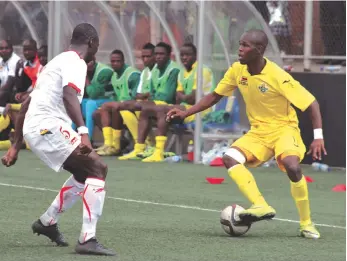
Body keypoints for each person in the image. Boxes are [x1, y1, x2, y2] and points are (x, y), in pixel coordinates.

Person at [167, 29, 326, 239]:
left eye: (245, 45)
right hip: (258, 132)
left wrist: (318, 136)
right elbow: (214, 96)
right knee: (229, 157)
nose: (240, 49)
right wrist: (186, 113)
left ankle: (306, 223)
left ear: (259, 50)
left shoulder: (278, 76)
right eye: (240, 44)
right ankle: (260, 204)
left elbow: (311, 103)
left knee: (292, 166)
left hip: (284, 129)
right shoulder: (236, 70)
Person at [1, 23, 115, 255]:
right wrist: (83, 132)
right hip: (48, 126)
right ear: (92, 42)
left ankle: (47, 222)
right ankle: (87, 239)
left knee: (84, 174)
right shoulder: (76, 62)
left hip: (39, 127)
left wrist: (16, 145)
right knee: (97, 168)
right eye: (97, 46)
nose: (96, 50)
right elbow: (69, 95)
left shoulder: (54, 63)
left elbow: (25, 105)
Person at [140, 42, 215, 162]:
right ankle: (144, 149)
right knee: (148, 110)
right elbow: (179, 96)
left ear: (195, 55)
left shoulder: (202, 71)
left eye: (188, 55)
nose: (184, 57)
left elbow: (192, 99)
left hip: (202, 111)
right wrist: (186, 97)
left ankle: (159, 151)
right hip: (186, 109)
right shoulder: (182, 72)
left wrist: (184, 97)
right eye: (182, 55)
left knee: (162, 109)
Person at [118, 42, 180, 160]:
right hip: (156, 102)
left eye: (161, 54)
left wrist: (152, 96)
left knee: (142, 107)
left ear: (169, 55)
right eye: (156, 54)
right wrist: (152, 96)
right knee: (125, 107)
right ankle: (141, 147)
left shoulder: (174, 70)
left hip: (169, 105)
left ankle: (149, 147)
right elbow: (151, 92)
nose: (158, 56)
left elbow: (168, 96)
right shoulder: (155, 69)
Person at [94, 49, 141, 156]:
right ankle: (111, 143)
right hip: (122, 106)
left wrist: (119, 104)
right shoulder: (114, 76)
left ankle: (115, 145)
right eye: (113, 61)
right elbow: (113, 95)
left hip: (134, 107)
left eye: (117, 61)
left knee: (115, 108)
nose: (114, 63)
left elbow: (136, 96)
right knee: (97, 114)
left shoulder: (132, 74)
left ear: (123, 61)